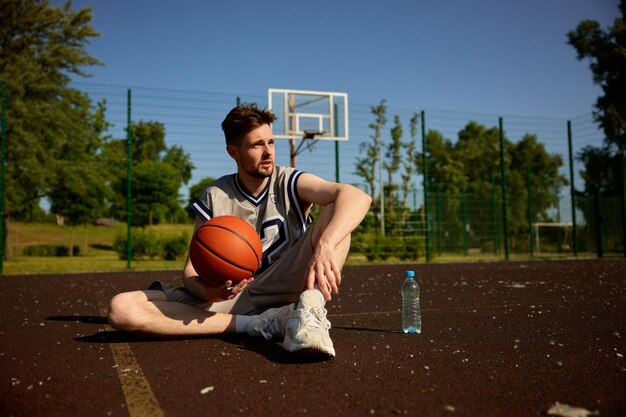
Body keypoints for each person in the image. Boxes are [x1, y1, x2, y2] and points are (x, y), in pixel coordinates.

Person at [107, 103, 371, 358]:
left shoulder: (289, 180)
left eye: (271, 142)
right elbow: (190, 272)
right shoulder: (215, 195)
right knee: (122, 309)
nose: (268, 152)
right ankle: (259, 324)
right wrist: (207, 291)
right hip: (234, 295)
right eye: (257, 144)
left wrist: (325, 245)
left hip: (288, 283)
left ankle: (310, 311)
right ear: (233, 152)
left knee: (339, 214)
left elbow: (357, 196)